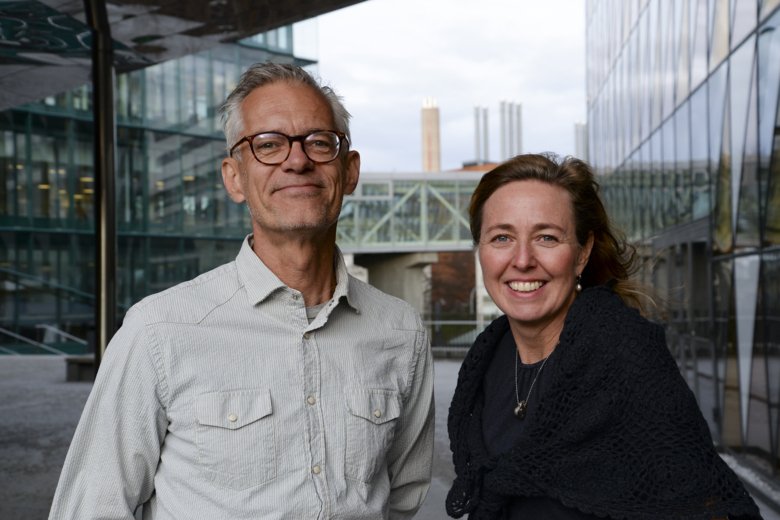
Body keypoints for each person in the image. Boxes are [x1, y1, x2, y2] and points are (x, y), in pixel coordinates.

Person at [49, 63, 434, 520]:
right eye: (268, 145)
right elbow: (90, 508)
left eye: (318, 142)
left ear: (349, 171)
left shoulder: (400, 331)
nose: (297, 160)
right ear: (234, 178)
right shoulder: (158, 331)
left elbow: (402, 501)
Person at [445, 153, 761, 519]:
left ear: (582, 253)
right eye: (502, 237)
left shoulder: (625, 355)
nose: (523, 259)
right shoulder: (487, 357)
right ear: (481, 251)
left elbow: (707, 504)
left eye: (547, 237)